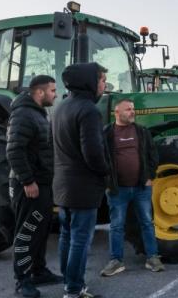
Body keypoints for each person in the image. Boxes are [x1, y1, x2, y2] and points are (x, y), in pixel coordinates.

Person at [52, 63, 111, 298]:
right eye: (102, 80)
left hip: (63, 186)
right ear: (90, 82)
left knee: (67, 236)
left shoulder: (61, 107)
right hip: (83, 188)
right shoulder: (89, 110)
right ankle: (74, 289)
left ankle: (70, 283)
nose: (104, 85)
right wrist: (106, 172)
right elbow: (93, 153)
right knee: (80, 240)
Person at [6, 75, 61, 298]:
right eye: (52, 91)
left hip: (42, 183)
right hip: (29, 185)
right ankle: (22, 281)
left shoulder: (38, 113)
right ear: (39, 92)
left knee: (41, 229)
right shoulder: (23, 115)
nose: (55, 94)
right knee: (27, 232)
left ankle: (38, 271)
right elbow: (14, 150)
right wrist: (27, 180)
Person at [100, 99, 164, 277]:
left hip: (141, 188)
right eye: (128, 109)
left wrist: (150, 177)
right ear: (117, 113)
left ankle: (152, 258)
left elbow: (153, 155)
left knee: (147, 223)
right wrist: (107, 181)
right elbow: (101, 158)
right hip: (117, 190)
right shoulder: (106, 133)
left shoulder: (142, 132)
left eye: (133, 109)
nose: (132, 112)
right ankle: (116, 261)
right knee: (117, 226)